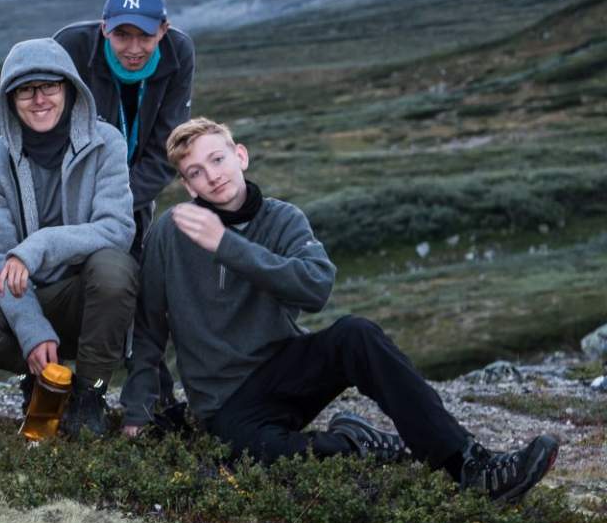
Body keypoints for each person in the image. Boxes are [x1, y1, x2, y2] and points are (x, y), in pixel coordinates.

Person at [122, 118, 560, 502]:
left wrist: (226, 245)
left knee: (356, 334)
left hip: (285, 370)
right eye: (195, 172)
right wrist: (139, 413)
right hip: (226, 405)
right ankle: (353, 440)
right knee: (262, 460)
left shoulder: (283, 219)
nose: (212, 177)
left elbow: (316, 287)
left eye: (218, 160)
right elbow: (148, 329)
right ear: (187, 185)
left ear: (241, 156)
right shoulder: (169, 234)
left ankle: (467, 465)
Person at [0, 38, 137, 438]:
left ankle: (90, 394)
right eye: (25, 90)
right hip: (25, 295)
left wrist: (38, 246)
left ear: (69, 89)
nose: (39, 99)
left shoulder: (107, 144)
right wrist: (31, 331)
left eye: (49, 86)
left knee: (115, 268)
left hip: (84, 294)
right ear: (9, 99)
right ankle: (42, 377)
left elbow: (117, 229)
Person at [53, 0, 194, 252]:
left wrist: (115, 204)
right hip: (67, 195)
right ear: (104, 28)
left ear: (163, 30)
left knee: (126, 276)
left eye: (144, 36)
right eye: (122, 35)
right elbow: (47, 128)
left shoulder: (179, 52)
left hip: (133, 197)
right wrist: (77, 203)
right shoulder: (70, 46)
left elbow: (167, 146)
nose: (133, 48)